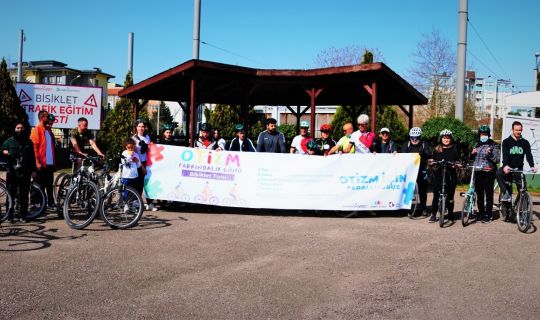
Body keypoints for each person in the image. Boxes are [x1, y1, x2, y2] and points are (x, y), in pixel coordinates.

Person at [496, 121, 537, 221]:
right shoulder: (506, 142)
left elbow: (529, 155)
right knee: (498, 173)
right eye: (516, 130)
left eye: (520, 130)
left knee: (523, 189)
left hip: (519, 169)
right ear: (513, 130)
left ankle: (522, 210)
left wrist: (532, 165)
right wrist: (505, 165)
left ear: (522, 130)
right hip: (508, 168)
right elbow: (505, 155)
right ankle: (505, 193)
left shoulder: (525, 142)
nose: (518, 132)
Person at [1, 121, 37, 222]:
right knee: (11, 194)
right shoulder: (10, 141)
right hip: (12, 172)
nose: (20, 130)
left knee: (24, 195)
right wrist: (6, 152)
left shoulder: (29, 142)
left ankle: (23, 215)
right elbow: (2, 150)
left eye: (21, 128)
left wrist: (33, 170)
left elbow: (32, 157)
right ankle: (9, 215)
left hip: (25, 172)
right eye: (17, 128)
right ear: (14, 129)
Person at [429, 129, 461, 223]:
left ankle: (450, 214)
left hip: (450, 175)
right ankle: (433, 214)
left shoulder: (454, 148)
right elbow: (432, 160)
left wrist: (457, 164)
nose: (446, 140)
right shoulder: (437, 149)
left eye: (448, 138)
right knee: (436, 195)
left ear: (450, 139)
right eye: (444, 138)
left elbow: (458, 160)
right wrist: (431, 162)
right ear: (441, 139)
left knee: (450, 197)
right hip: (439, 174)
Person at [470, 125, 499, 223]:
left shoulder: (493, 144)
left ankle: (489, 214)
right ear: (479, 134)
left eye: (486, 134)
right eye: (482, 134)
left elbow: (497, 159)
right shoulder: (476, 144)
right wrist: (472, 154)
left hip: (489, 172)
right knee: (480, 194)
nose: (484, 135)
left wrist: (490, 153)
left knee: (489, 194)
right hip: (478, 171)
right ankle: (481, 213)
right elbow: (472, 158)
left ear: (488, 134)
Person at [401, 127, 432, 216]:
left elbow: (429, 154)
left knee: (422, 190)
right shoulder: (406, 144)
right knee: (409, 190)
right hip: (409, 171)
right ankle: (408, 208)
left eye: (417, 138)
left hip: (421, 170)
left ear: (420, 137)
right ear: (410, 137)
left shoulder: (424, 144)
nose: (414, 140)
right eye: (412, 138)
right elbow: (402, 156)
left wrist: (425, 155)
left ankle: (423, 208)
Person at [30, 111, 56, 210]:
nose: (49, 118)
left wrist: (54, 162)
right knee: (38, 185)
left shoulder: (49, 131)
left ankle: (50, 203)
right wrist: (37, 162)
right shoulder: (36, 130)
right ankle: (35, 204)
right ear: (42, 118)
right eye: (47, 116)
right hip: (40, 163)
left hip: (49, 164)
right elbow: (34, 148)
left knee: (49, 185)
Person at [132, 119, 157, 211]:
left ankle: (150, 203)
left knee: (149, 183)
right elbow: (134, 153)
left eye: (142, 126)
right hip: (138, 163)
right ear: (136, 128)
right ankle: (136, 202)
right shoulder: (133, 138)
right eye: (139, 126)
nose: (141, 128)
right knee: (138, 183)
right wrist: (140, 165)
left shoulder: (148, 137)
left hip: (148, 162)